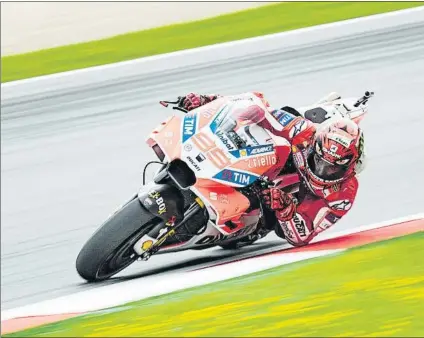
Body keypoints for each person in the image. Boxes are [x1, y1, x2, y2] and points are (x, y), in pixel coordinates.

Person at [179, 91, 366, 247]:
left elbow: (302, 237)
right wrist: (209, 103)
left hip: (277, 207)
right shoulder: (303, 132)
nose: (322, 171)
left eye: (332, 169)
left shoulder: (344, 194)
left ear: (350, 167)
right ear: (314, 147)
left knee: (263, 227)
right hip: (258, 164)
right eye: (319, 161)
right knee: (272, 119)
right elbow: (259, 107)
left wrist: (285, 207)